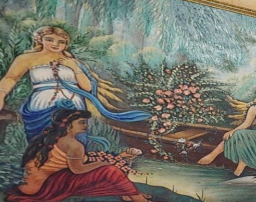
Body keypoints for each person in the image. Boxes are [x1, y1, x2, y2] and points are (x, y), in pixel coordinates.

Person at [0, 26, 149, 139]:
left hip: (73, 103)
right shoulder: (26, 58)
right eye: (50, 39)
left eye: (61, 42)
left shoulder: (73, 61)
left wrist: (74, 68)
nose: (55, 44)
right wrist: (1, 95)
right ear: (40, 40)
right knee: (43, 140)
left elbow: (87, 87)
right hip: (42, 103)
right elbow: (10, 78)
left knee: (71, 140)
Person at [6, 109, 166, 202]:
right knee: (109, 171)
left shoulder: (55, 138)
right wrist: (104, 163)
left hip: (34, 185)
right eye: (81, 122)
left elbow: (79, 162)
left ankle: (128, 193)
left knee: (104, 170)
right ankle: (139, 201)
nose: (86, 126)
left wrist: (118, 157)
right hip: (46, 186)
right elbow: (78, 169)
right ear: (68, 125)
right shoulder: (74, 144)